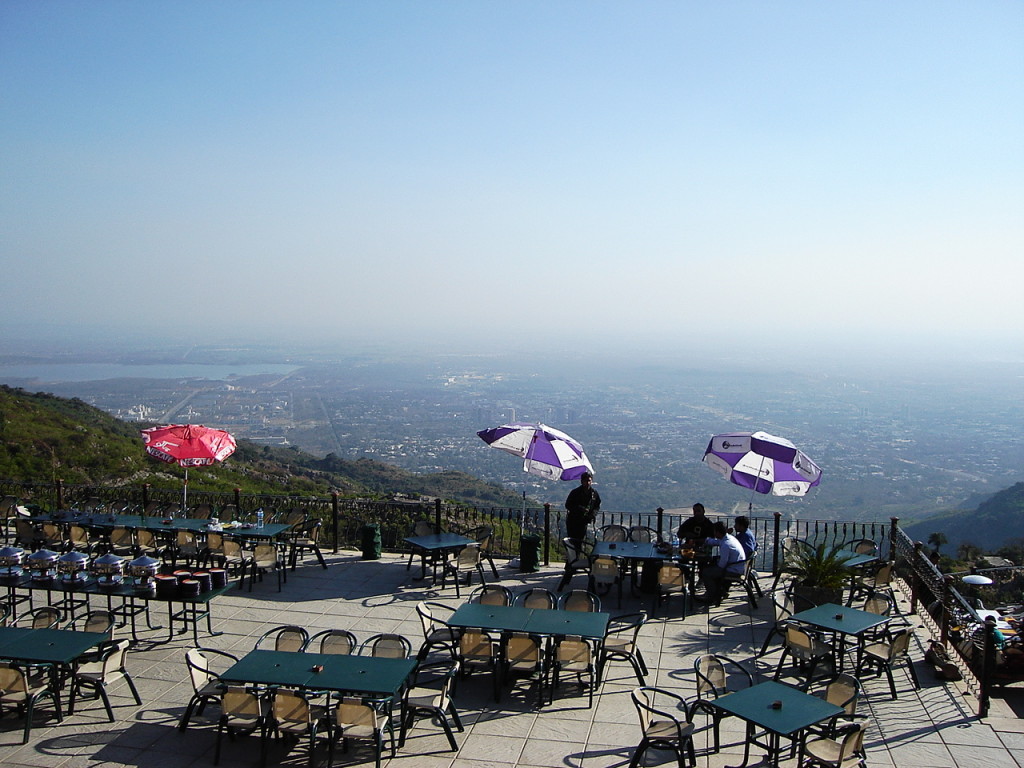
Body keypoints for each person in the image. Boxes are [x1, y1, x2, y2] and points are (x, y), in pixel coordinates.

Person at [694, 521, 747, 606]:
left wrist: (713, 563)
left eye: (714, 531)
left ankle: (712, 596)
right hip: (738, 566)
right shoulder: (729, 538)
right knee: (711, 566)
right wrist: (706, 541)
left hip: (733, 570)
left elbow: (722, 565)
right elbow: (716, 542)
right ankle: (720, 591)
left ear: (717, 532)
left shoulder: (726, 545)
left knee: (706, 572)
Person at [564, 472, 600, 541]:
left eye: (589, 481)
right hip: (573, 521)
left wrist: (592, 515)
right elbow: (568, 505)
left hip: (584, 522)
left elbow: (597, 506)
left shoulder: (594, 493)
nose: (587, 483)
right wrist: (580, 508)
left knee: (580, 541)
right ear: (582, 481)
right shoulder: (575, 492)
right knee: (572, 541)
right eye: (586, 481)